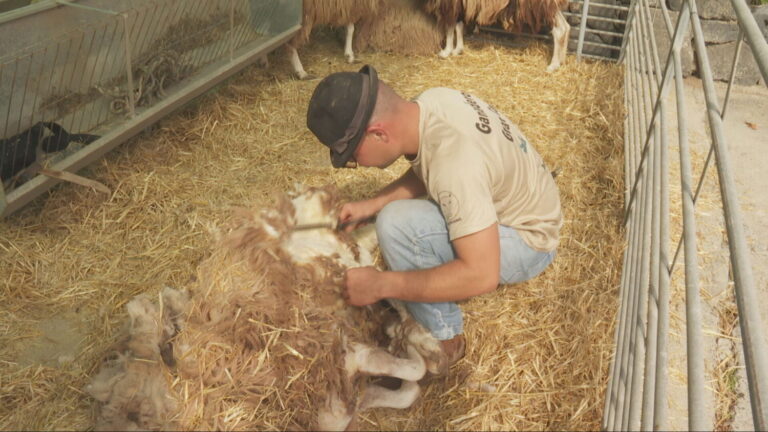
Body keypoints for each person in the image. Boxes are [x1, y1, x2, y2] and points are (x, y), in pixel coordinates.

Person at [306, 65, 561, 372]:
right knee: (393, 216)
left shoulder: (455, 163)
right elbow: (430, 167)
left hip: (529, 241)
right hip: (532, 204)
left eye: (352, 157)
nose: (357, 164)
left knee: (398, 226)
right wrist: (373, 204)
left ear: (379, 134)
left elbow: (482, 273)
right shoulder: (431, 103)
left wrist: (380, 285)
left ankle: (444, 340)